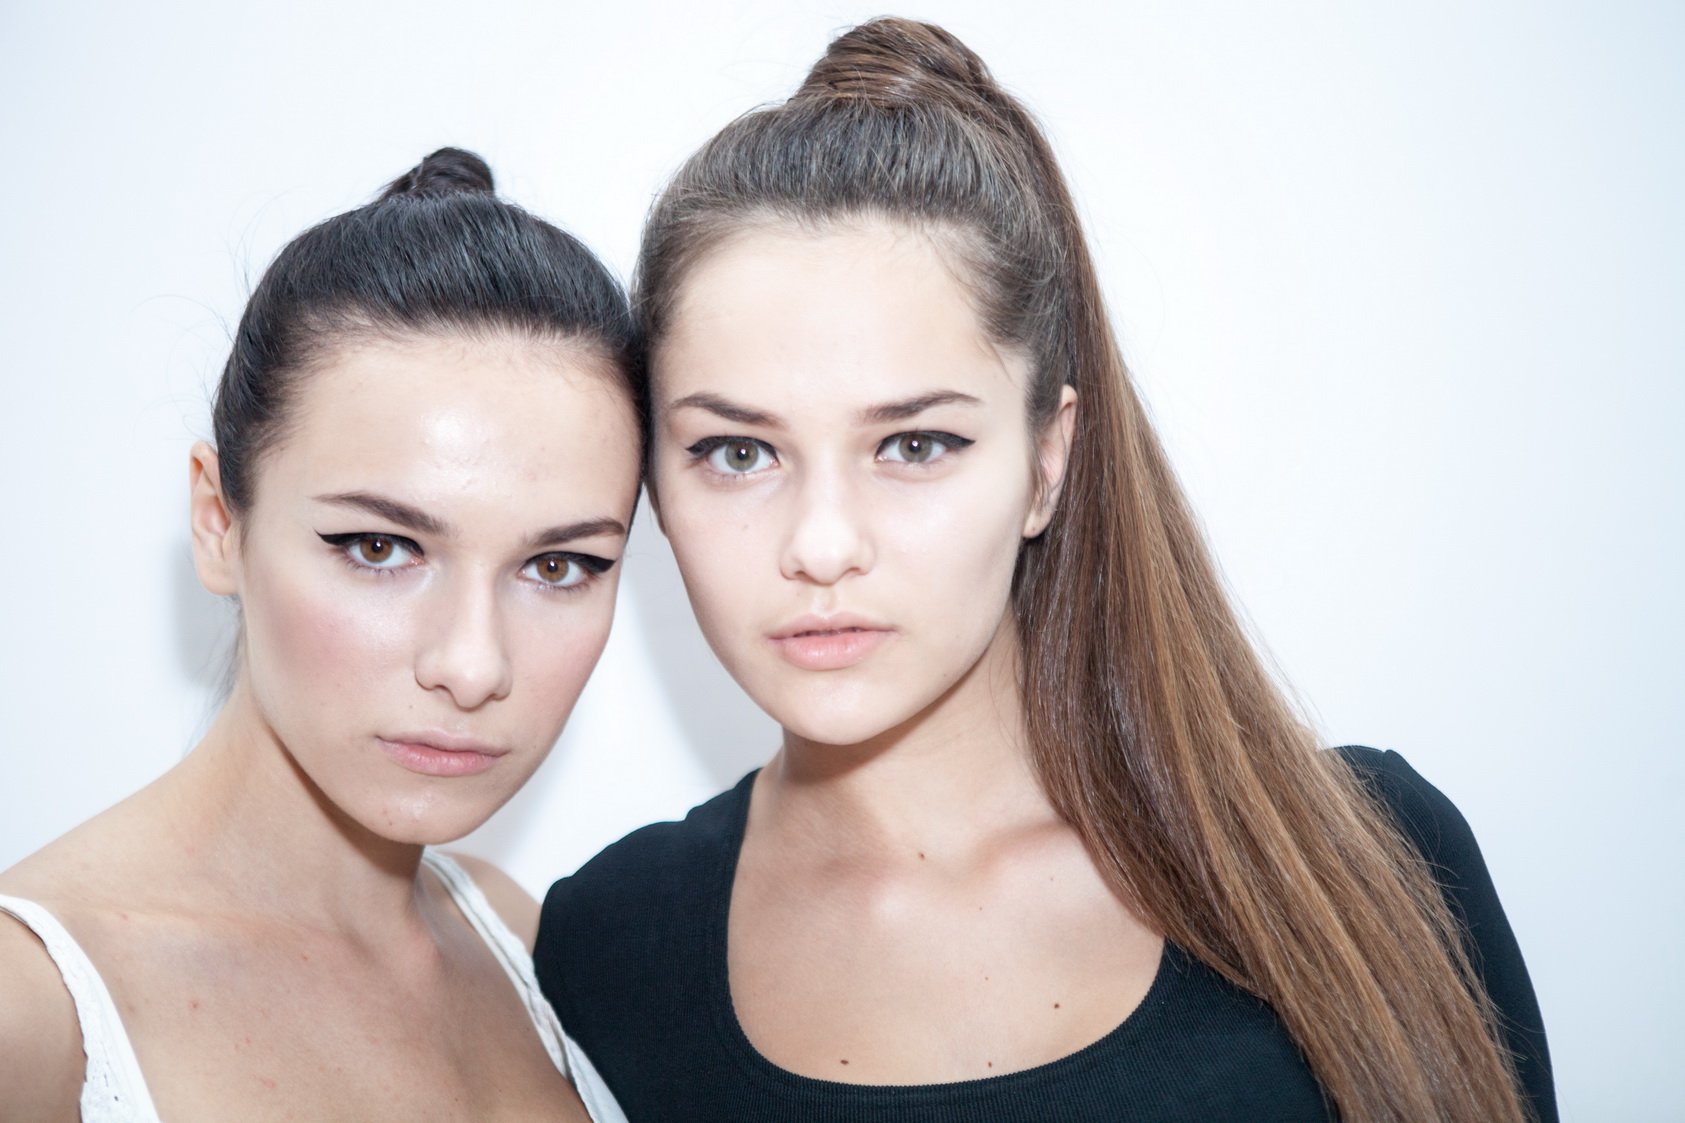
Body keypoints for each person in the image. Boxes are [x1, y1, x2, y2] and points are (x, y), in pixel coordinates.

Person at [534, 19, 1555, 1123]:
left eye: (913, 444)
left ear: (1046, 463)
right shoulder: (604, 951)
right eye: (738, 452)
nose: (821, 544)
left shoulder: (1370, 856)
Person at [0, 149, 635, 1122]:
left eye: (558, 565)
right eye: (380, 547)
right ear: (219, 520)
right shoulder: (30, 1012)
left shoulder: (512, 935)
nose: (472, 666)